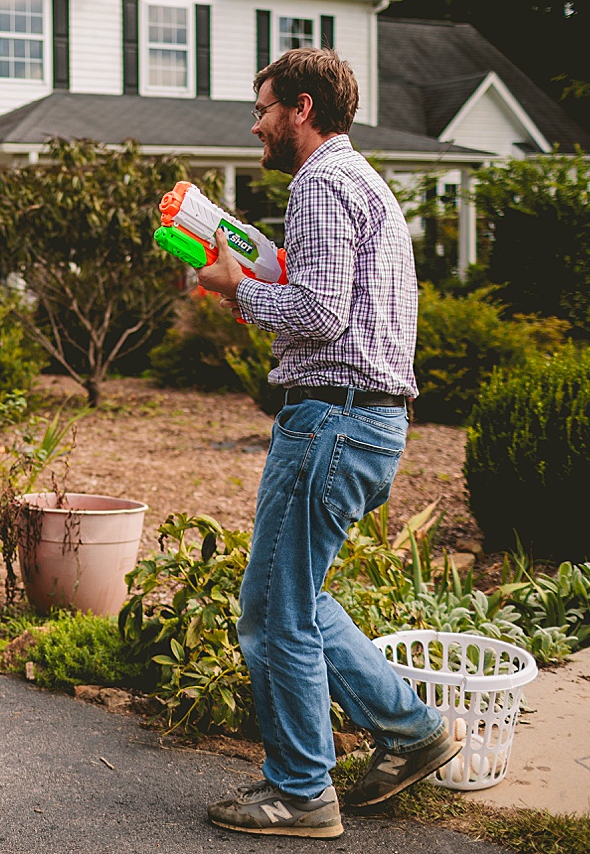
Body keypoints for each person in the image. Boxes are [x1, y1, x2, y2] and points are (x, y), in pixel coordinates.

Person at [194, 48, 459, 838]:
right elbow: (322, 295)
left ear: (301, 109)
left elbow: (317, 312)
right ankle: (412, 731)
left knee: (273, 610)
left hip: (331, 422)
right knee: (297, 597)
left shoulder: (318, 184)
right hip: (366, 421)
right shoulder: (359, 179)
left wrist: (232, 287)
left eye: (265, 108)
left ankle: (301, 792)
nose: (257, 124)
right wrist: (254, 272)